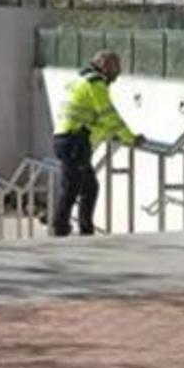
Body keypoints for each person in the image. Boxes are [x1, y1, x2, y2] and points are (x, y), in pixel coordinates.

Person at [51, 50, 144, 236]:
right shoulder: (95, 83)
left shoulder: (80, 80)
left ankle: (83, 229)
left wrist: (113, 134)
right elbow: (109, 115)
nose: (118, 72)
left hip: (66, 139)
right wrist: (130, 138)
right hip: (74, 141)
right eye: (115, 67)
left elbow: (97, 120)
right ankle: (61, 228)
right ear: (103, 64)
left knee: (88, 186)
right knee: (72, 187)